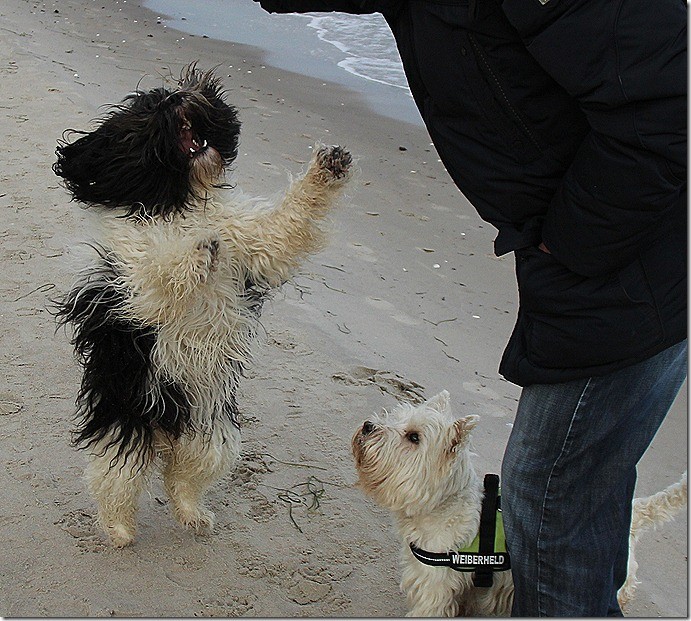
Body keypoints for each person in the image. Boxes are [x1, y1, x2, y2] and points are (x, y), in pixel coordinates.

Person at [254, 0, 687, 616]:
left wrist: (567, 238)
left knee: (546, 493)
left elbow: (667, 110)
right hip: (595, 264)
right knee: (579, 492)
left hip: (633, 267)